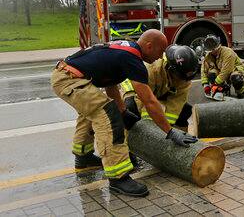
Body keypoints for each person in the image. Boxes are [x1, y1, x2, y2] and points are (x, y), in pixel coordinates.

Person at [50, 29, 198, 197]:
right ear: (149, 46)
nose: (159, 57)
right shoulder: (132, 59)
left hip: (67, 75)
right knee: (107, 115)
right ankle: (118, 178)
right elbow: (149, 101)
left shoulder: (125, 51)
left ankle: (83, 157)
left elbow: (110, 83)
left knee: (92, 111)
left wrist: (123, 110)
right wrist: (170, 132)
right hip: (69, 78)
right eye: (159, 51)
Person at [120, 45, 198, 134]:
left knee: (185, 111)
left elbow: (175, 105)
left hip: (159, 93)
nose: (181, 81)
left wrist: (168, 131)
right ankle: (131, 138)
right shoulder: (152, 69)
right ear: (171, 69)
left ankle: (182, 139)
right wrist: (151, 129)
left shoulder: (185, 79)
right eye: (180, 77)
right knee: (132, 110)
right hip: (134, 88)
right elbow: (147, 101)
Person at [201, 34, 244, 100]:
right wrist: (205, 85)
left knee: (236, 78)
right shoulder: (208, 55)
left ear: (218, 46)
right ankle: (222, 89)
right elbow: (204, 70)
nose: (212, 52)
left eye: (214, 50)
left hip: (235, 69)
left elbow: (227, 71)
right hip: (221, 70)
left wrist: (215, 84)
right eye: (211, 50)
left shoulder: (228, 53)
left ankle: (240, 92)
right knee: (211, 74)